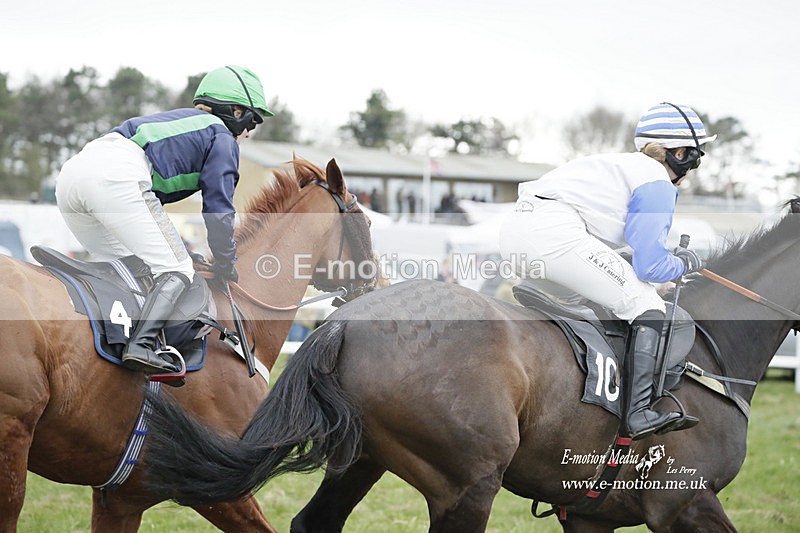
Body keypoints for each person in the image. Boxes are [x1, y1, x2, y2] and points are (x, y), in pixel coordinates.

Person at [499, 102, 715, 440]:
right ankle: (639, 413)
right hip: (554, 234)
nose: (694, 167)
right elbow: (651, 266)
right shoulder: (657, 181)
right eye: (696, 157)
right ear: (680, 154)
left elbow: (625, 251)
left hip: (516, 233)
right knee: (648, 307)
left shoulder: (620, 166)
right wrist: (683, 263)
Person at [56, 65, 272, 375]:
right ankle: (141, 345)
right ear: (237, 112)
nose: (249, 133)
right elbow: (218, 208)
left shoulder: (182, 123)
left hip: (72, 177)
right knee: (177, 269)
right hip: (116, 176)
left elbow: (148, 215)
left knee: (129, 268)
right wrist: (226, 263)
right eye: (253, 121)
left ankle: (109, 348)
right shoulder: (221, 136)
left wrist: (183, 247)